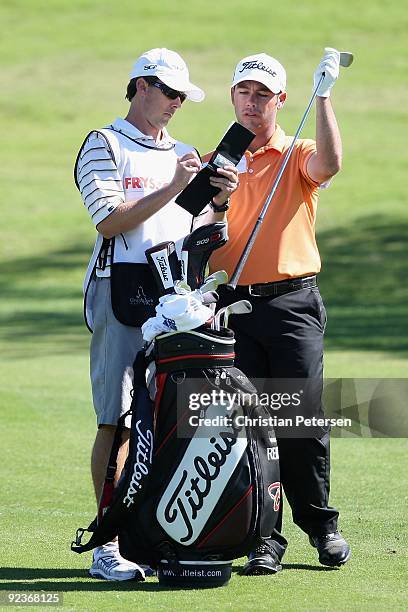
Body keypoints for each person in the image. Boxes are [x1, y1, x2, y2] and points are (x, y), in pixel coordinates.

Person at [74, 47, 238, 581]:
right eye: (169, 93)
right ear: (141, 86)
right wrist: (172, 185)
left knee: (172, 419)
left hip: (177, 300)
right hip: (120, 292)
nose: (175, 104)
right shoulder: (103, 144)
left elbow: (199, 235)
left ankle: (157, 534)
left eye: (182, 97)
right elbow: (109, 222)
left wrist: (219, 203)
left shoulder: (188, 152)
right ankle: (108, 543)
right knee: (118, 422)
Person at [207, 49, 351, 574]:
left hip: (292, 304)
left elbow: (330, 165)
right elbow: (200, 233)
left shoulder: (297, 152)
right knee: (250, 427)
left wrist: (327, 94)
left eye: (263, 94)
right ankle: (265, 538)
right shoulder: (217, 160)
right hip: (234, 306)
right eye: (244, 92)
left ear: (281, 100)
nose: (252, 102)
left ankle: (321, 527)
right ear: (232, 97)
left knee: (300, 421)